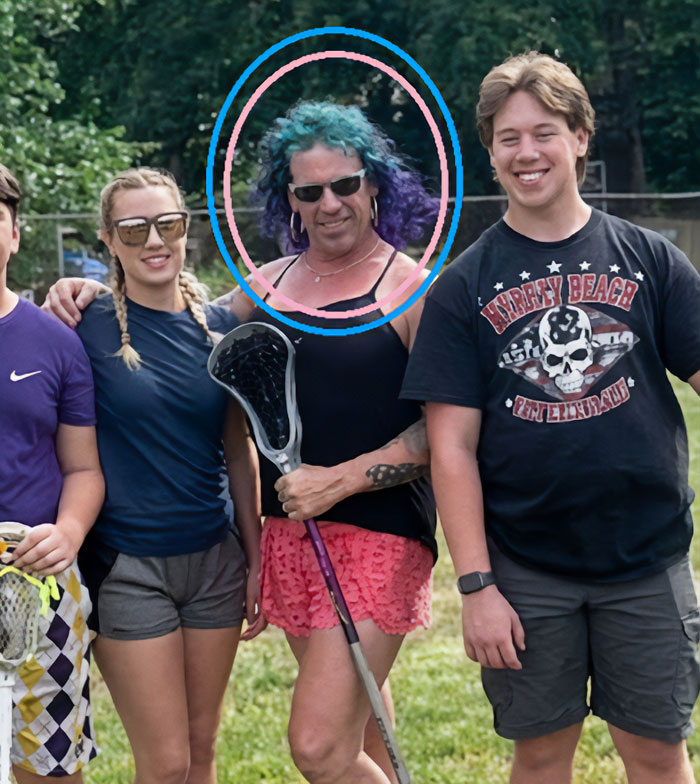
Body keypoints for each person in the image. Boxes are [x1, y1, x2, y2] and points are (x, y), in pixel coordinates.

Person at [45, 102, 438, 784]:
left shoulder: (412, 287)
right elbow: (187, 333)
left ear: (375, 184)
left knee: (319, 744)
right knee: (362, 720)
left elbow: (449, 428)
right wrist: (79, 289)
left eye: (345, 184)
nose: (330, 202)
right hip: (294, 538)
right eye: (309, 190)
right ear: (288, 199)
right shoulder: (266, 288)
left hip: (378, 530)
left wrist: (340, 479)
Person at [402, 51, 700, 784]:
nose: (527, 152)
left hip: (649, 557)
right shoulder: (462, 287)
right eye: (509, 138)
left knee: (658, 754)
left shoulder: (648, 261)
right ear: (490, 152)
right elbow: (451, 452)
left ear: (580, 137)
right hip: (527, 569)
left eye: (544, 132)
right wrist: (477, 587)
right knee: (540, 755)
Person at [49, 167, 265, 784]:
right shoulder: (80, 327)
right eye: (133, 227)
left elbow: (239, 450)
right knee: (166, 763)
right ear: (108, 241)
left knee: (202, 749)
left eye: (167, 223)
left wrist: (254, 557)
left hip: (214, 565)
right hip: (128, 569)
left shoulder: (220, 330)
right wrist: (59, 293)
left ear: (186, 228)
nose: (154, 240)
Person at [0, 162, 104, 783]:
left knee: (49, 769)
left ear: (14, 235)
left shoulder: (54, 341)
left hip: (37, 577)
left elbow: (83, 467)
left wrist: (67, 533)